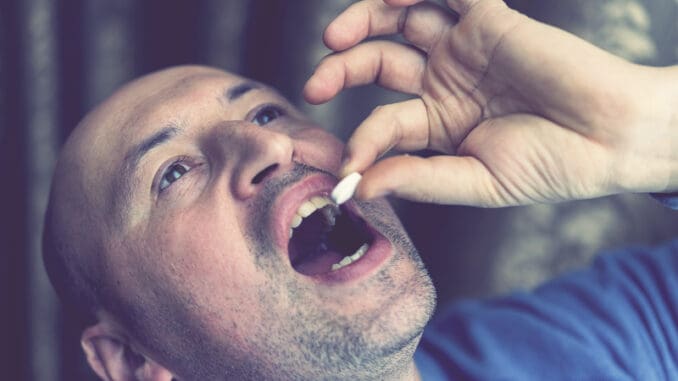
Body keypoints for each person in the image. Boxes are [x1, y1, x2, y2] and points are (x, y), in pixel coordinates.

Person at [42, 0, 676, 380]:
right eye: (173, 173)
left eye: (265, 114)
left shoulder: (596, 338)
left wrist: (647, 131)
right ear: (130, 362)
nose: (269, 146)